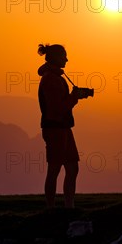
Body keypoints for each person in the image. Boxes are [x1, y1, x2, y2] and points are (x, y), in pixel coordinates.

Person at [37, 43, 88, 208]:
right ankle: (51, 208)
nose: (67, 59)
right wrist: (74, 97)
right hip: (55, 129)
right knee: (55, 169)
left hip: (63, 128)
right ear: (56, 58)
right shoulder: (50, 80)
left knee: (72, 167)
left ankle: (69, 206)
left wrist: (74, 96)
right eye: (64, 56)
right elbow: (57, 109)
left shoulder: (56, 77)